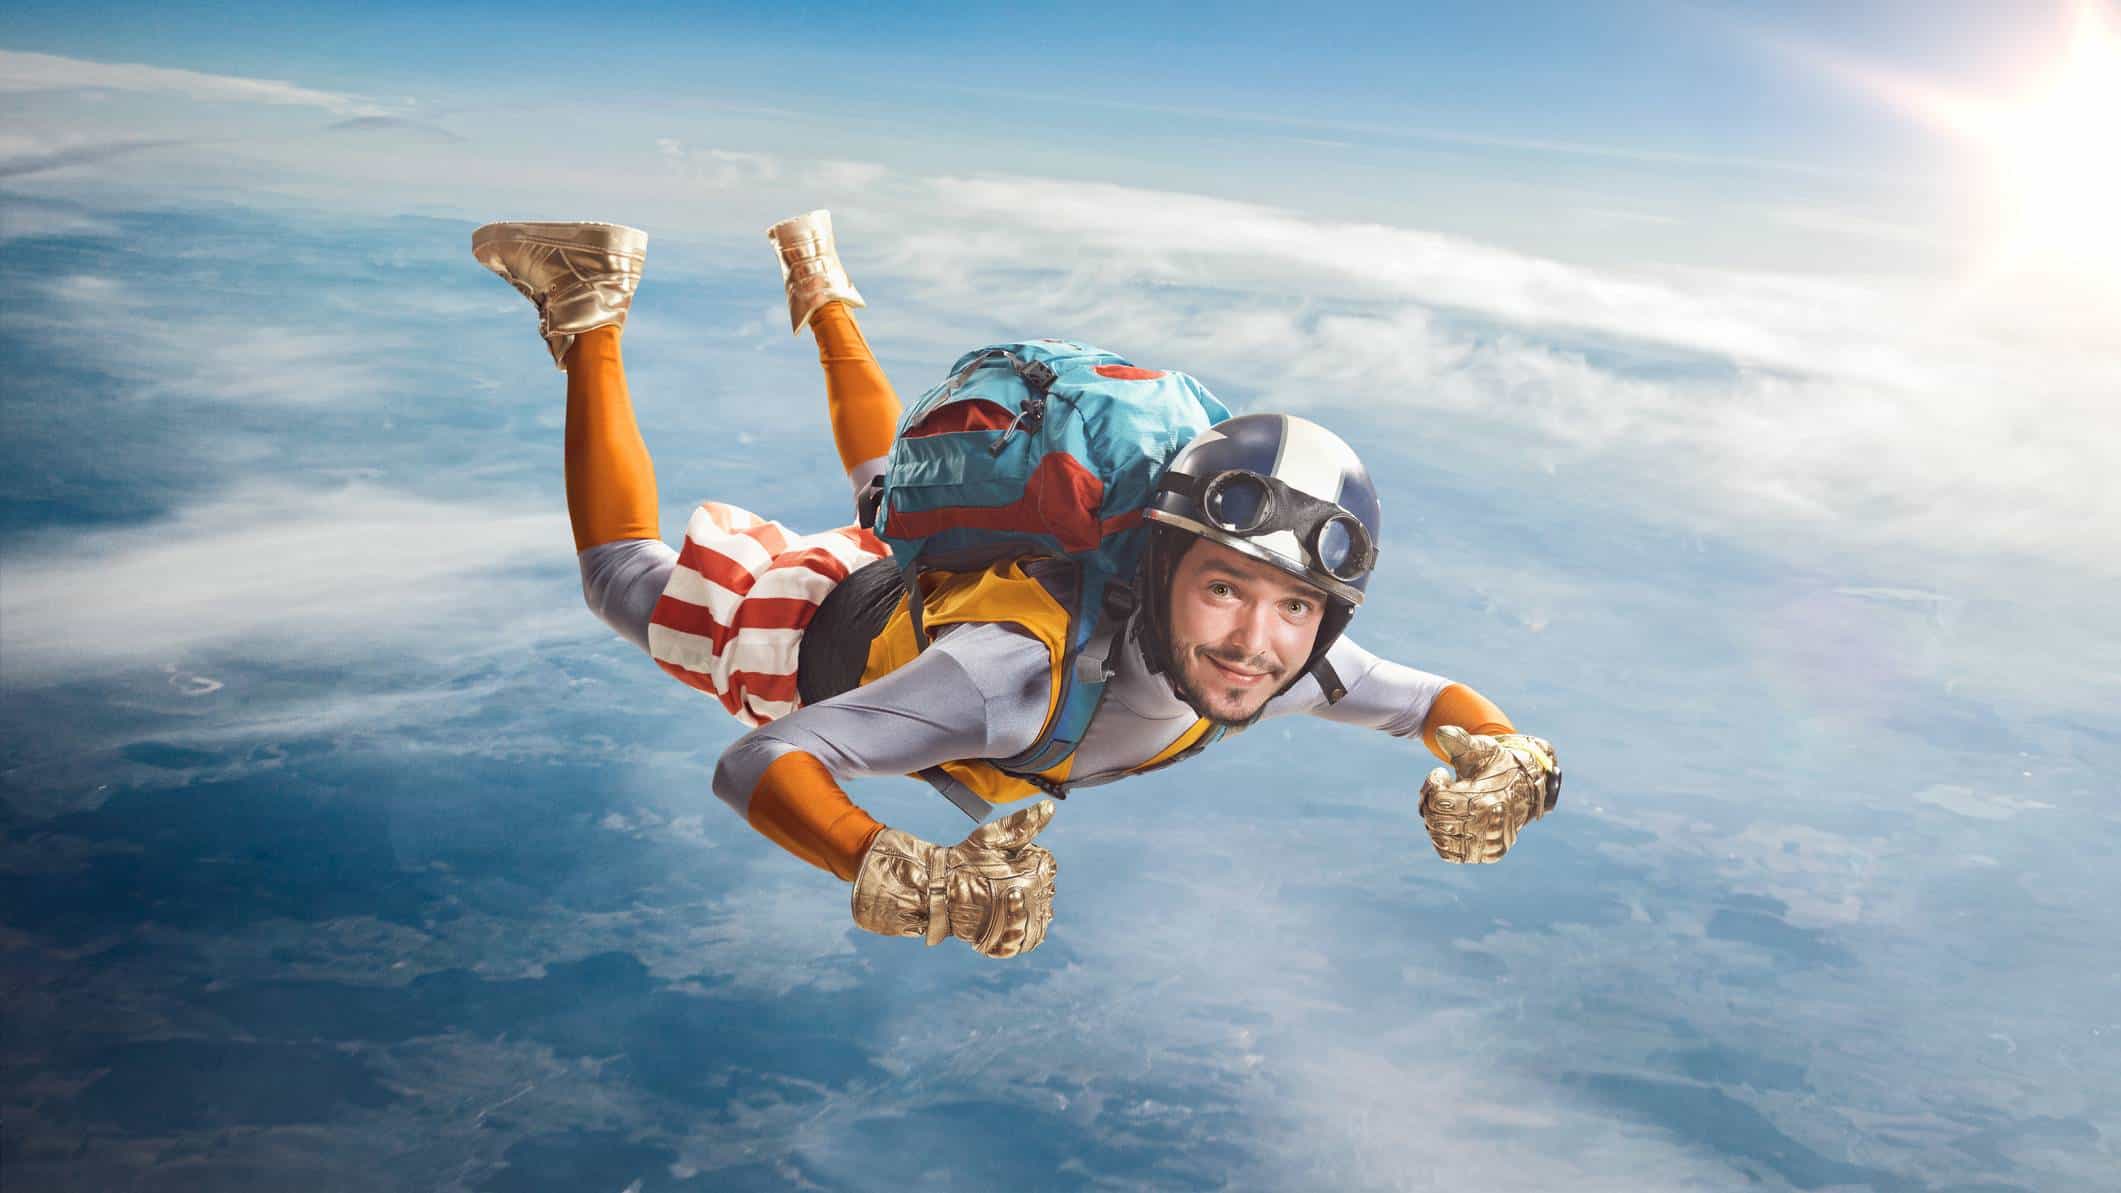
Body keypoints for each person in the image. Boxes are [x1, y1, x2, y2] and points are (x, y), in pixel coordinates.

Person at [470, 213, 1561, 960]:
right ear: (1159, 564)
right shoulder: (1010, 680)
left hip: (947, 579)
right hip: (814, 622)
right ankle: (590, 300)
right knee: (622, 576)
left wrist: (1503, 753)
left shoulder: (1287, 662)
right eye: (1226, 588)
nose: (1253, 641)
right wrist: (906, 874)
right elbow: (762, 754)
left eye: (1295, 607)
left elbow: (1428, 702)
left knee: (888, 485)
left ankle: (821, 285)